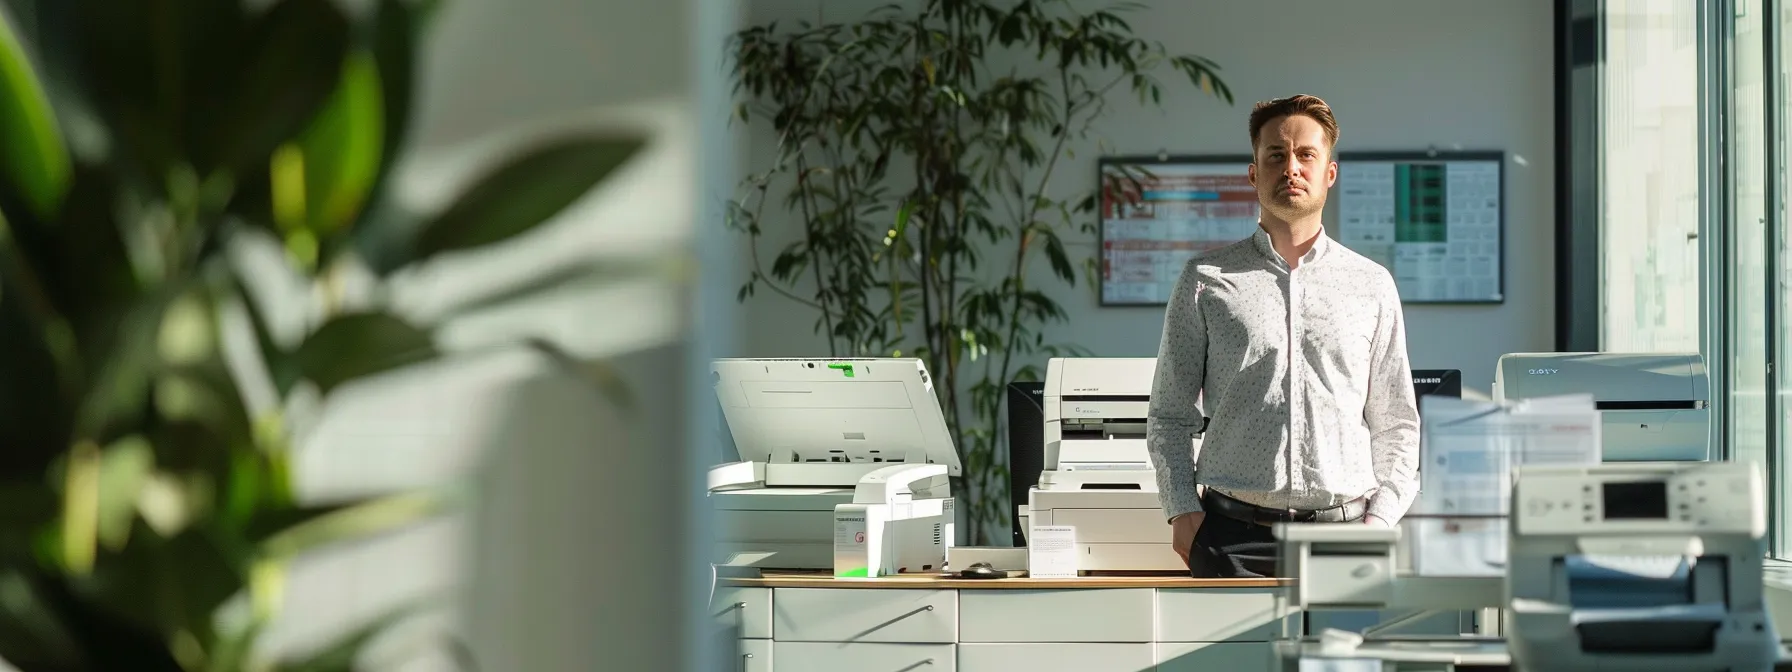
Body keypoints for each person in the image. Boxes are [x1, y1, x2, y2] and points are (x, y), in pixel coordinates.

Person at [1144, 94, 1421, 579]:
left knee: (1338, 660)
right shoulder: (1206, 278)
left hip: (1347, 539)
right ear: (1254, 173)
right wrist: (1181, 510)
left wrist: (1380, 519)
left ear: (1328, 173)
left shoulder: (1371, 284)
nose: (1290, 167)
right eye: (1275, 155)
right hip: (1232, 540)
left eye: (1306, 155)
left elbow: (1397, 421)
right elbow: (1169, 414)